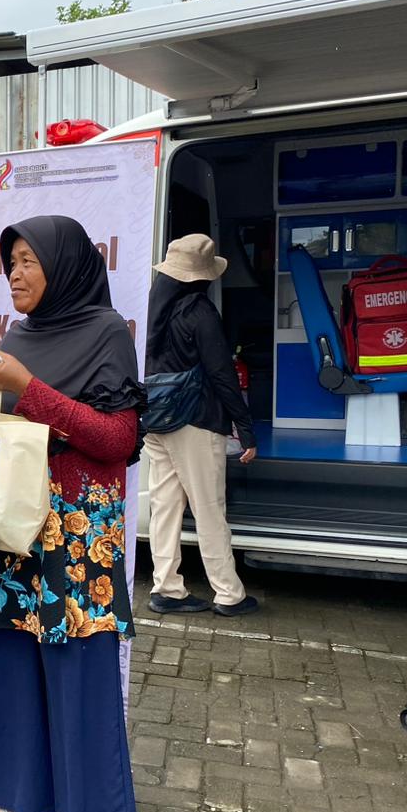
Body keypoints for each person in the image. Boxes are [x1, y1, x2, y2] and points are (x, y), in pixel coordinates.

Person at [0, 216, 142, 812]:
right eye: (10, 261)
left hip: (75, 528)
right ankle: (23, 792)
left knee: (77, 669)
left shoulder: (106, 333)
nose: (16, 273)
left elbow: (117, 440)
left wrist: (29, 388)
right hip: (9, 524)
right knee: (8, 660)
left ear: (65, 266)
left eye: (29, 260)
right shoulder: (16, 337)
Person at [143, 234, 259, 618]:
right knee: (209, 508)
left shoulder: (154, 309)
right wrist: (244, 426)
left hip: (158, 420)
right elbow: (222, 374)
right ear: (203, 276)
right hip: (195, 422)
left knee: (164, 508)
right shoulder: (201, 313)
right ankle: (229, 593)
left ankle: (166, 588)